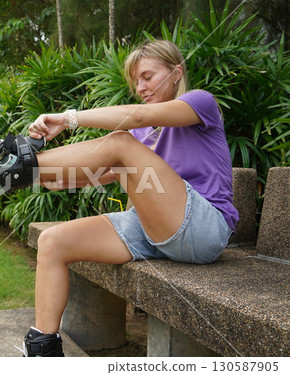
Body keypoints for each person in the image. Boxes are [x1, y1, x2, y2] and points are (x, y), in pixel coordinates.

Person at [19, 40, 239, 356]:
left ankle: (15, 162)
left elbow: (136, 118)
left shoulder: (200, 103)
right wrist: (42, 173)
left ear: (176, 73)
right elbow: (82, 178)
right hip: (155, 231)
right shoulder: (139, 139)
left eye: (147, 76)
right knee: (53, 242)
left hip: (205, 228)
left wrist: (68, 119)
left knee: (119, 142)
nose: (140, 87)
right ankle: (42, 349)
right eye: (136, 81)